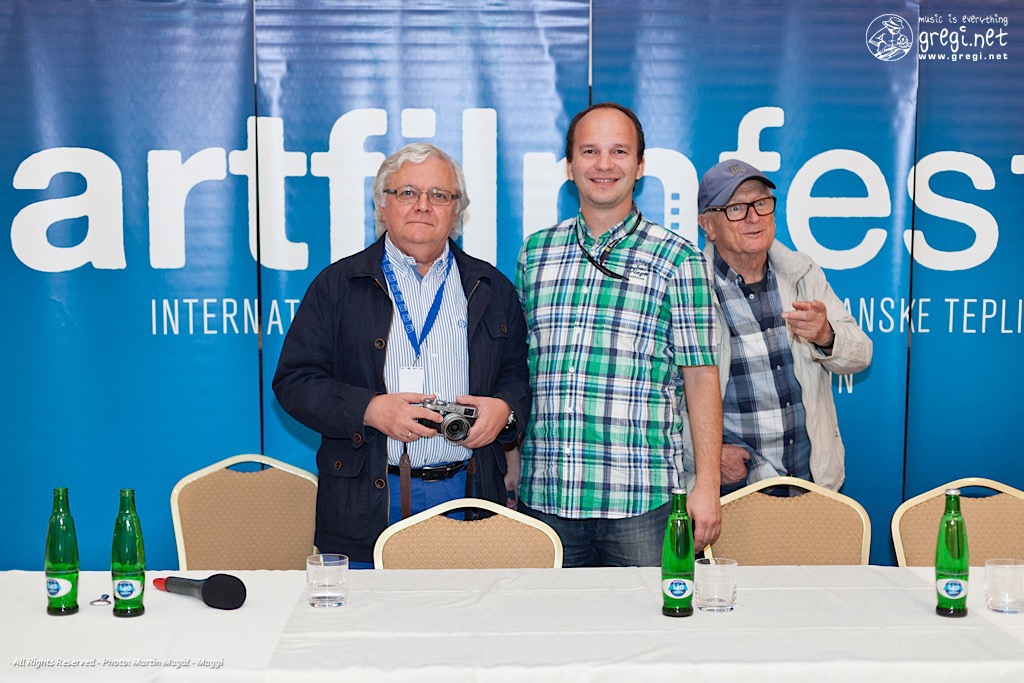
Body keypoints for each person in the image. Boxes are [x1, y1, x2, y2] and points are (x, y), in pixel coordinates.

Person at [273, 142, 530, 565]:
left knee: (467, 608)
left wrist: (504, 411)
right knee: (366, 610)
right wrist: (369, 409)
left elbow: (516, 377)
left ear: (456, 211)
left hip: (469, 492)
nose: (423, 205)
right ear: (382, 205)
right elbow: (295, 383)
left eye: (439, 195)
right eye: (407, 192)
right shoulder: (338, 285)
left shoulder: (492, 287)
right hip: (368, 499)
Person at [515, 103, 722, 567]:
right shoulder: (535, 253)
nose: (604, 164)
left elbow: (701, 377)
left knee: (655, 615)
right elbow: (522, 368)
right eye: (589, 151)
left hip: (641, 501)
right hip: (546, 495)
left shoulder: (679, 259)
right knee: (543, 617)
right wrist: (511, 465)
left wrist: (707, 485)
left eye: (619, 151)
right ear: (570, 166)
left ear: (640, 165)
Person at [695, 159, 872, 495]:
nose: (753, 217)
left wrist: (826, 335)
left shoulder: (802, 274)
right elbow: (660, 396)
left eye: (761, 203)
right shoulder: (690, 288)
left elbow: (861, 355)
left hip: (811, 484)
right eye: (736, 208)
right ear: (708, 225)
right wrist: (707, 455)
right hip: (732, 490)